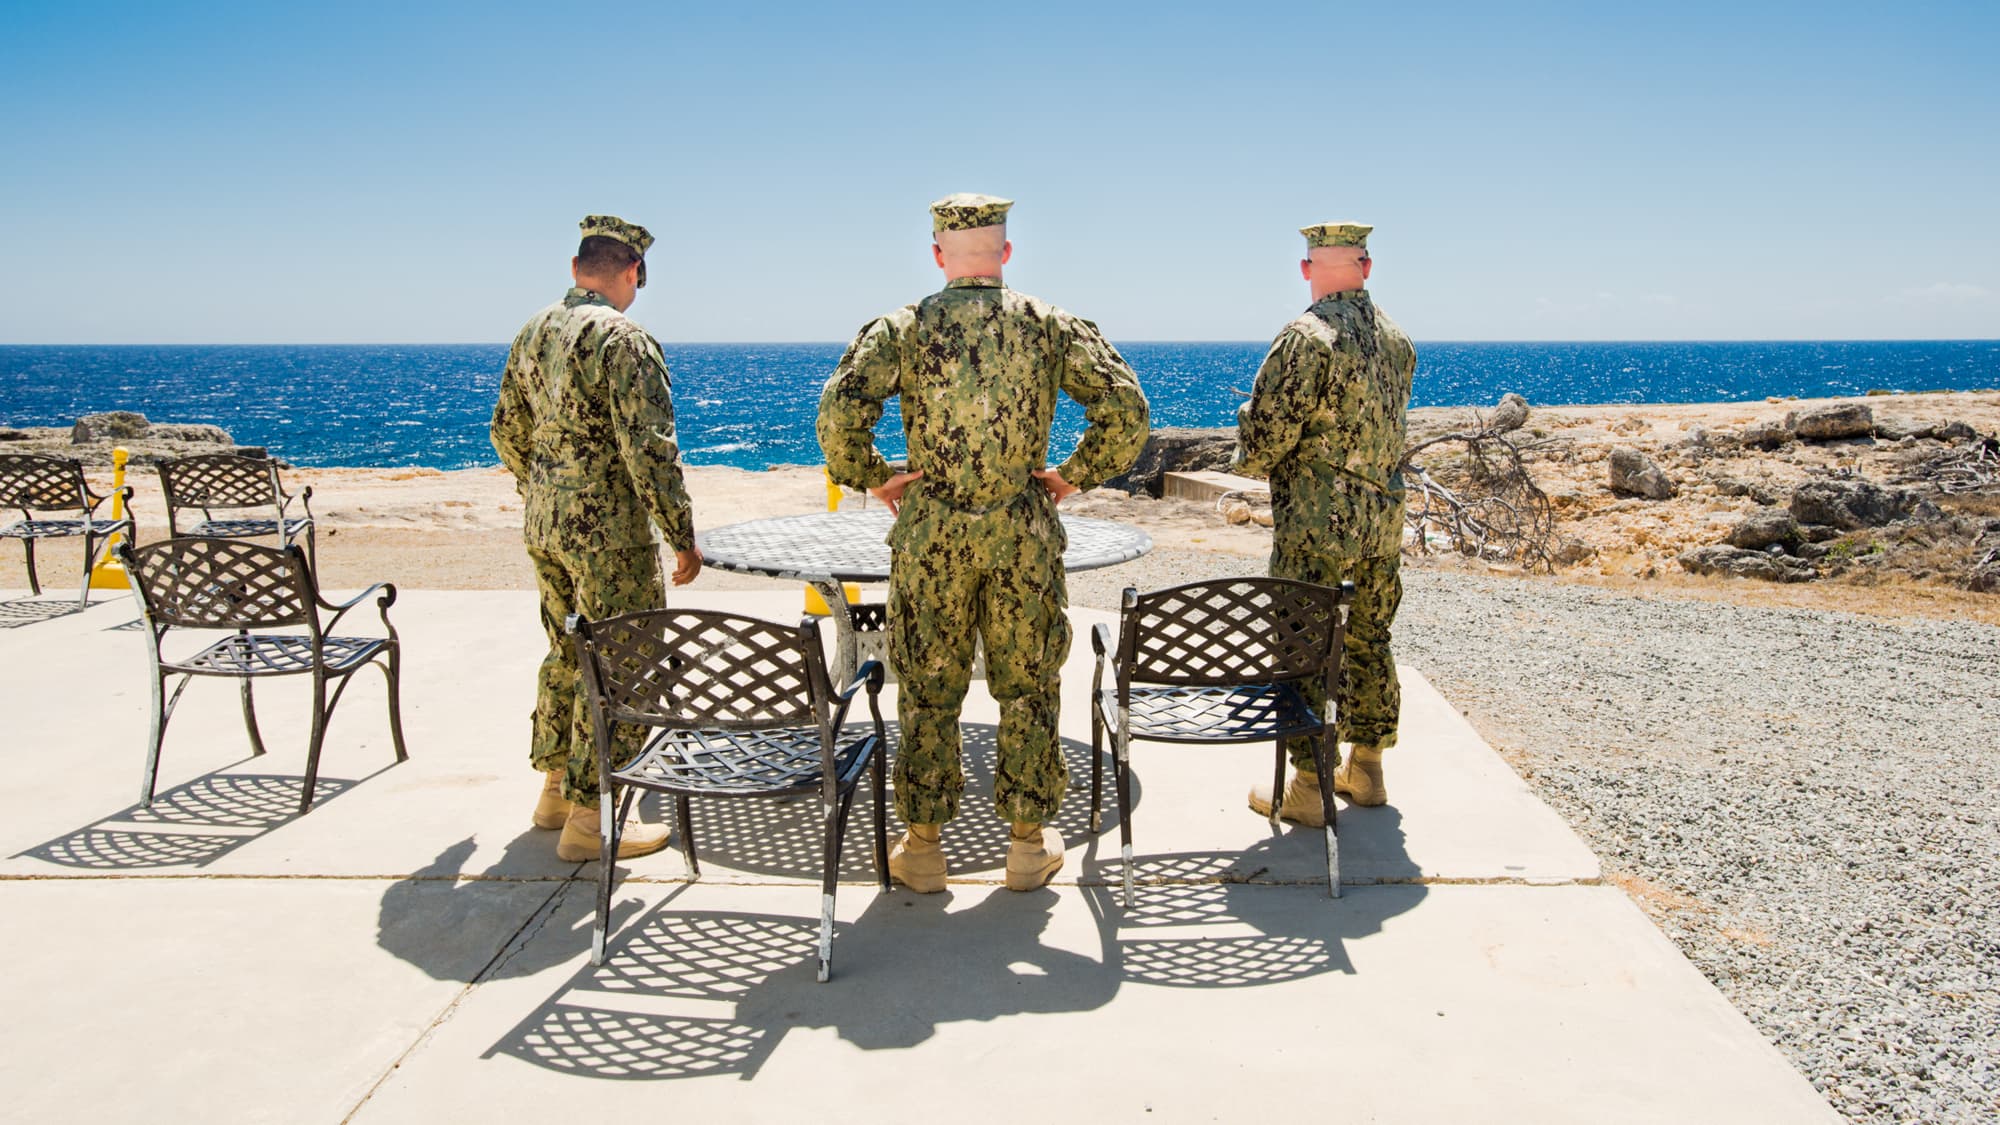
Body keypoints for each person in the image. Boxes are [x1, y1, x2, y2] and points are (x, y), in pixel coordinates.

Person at [818, 193, 1148, 892]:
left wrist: (877, 477)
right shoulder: (1050, 325)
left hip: (931, 535)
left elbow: (837, 418)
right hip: (1022, 535)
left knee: (927, 688)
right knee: (1028, 686)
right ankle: (1026, 847)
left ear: (939, 254)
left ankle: (924, 848)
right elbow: (1127, 411)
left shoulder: (903, 328)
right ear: (1006, 252)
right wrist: (1069, 477)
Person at [491, 214, 703, 862]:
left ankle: (555, 791)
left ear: (577, 267)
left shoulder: (534, 330)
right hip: (609, 535)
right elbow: (650, 450)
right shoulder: (624, 339)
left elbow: (505, 430)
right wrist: (681, 535)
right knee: (622, 665)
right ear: (634, 271)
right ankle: (592, 818)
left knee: (565, 651)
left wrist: (545, 490)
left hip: (546, 524)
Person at [1235, 221, 1415, 819]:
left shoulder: (1305, 339)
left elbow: (1262, 443)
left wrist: (1248, 432)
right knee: (1370, 638)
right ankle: (1367, 769)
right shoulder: (1397, 340)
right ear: (1367, 267)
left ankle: (1310, 787)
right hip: (1381, 524)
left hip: (1316, 526)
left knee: (1303, 644)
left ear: (1307, 269)